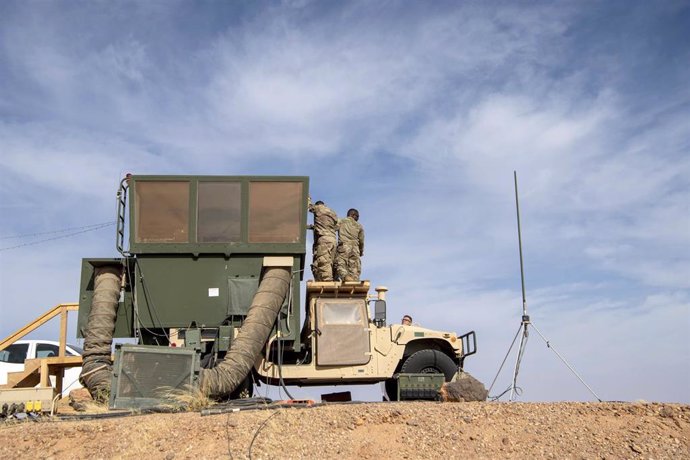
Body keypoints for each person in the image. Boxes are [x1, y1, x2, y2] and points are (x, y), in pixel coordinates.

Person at [308, 199, 338, 281]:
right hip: (333, 240)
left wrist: (308, 198)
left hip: (324, 239)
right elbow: (335, 225)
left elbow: (309, 206)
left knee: (324, 262)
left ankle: (328, 281)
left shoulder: (318, 208)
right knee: (331, 263)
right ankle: (334, 280)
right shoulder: (332, 212)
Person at [335, 208, 365, 281]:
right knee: (354, 267)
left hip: (344, 246)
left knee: (341, 263)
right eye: (357, 216)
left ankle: (345, 277)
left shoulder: (341, 221)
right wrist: (361, 251)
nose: (358, 218)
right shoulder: (359, 226)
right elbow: (361, 241)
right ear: (352, 215)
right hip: (355, 249)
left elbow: (333, 228)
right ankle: (354, 281)